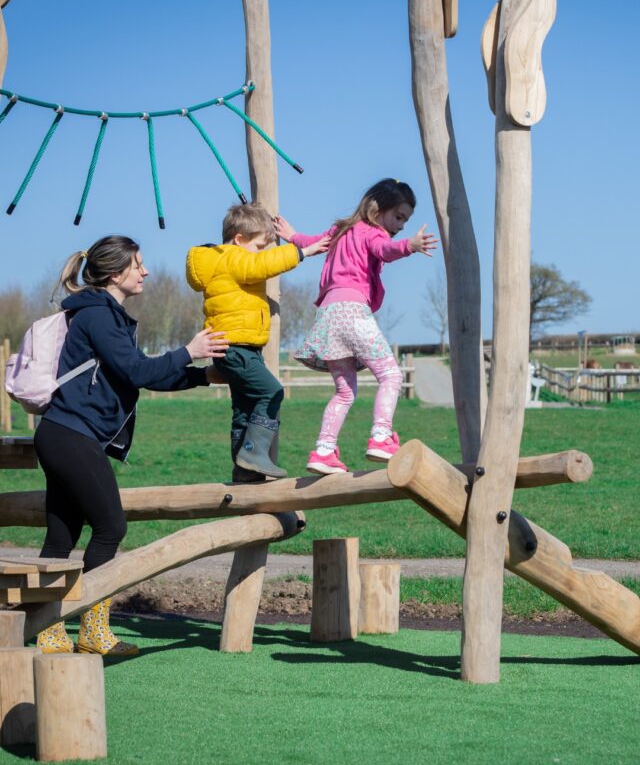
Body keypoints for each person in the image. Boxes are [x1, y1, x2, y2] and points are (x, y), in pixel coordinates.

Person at [35, 235, 229, 657]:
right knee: (111, 527)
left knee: (61, 535)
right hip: (71, 434)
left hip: (66, 433)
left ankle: (50, 630)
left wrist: (202, 376)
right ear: (114, 272)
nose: (145, 271)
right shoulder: (99, 317)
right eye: (138, 264)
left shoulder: (107, 316)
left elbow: (140, 376)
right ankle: (90, 628)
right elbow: (137, 369)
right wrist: (189, 351)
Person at [274, 178, 438, 475]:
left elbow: (314, 244)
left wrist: (292, 235)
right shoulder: (373, 233)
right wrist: (409, 246)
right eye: (398, 217)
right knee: (391, 375)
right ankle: (381, 436)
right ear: (379, 209)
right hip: (352, 312)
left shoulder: (341, 230)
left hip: (327, 317)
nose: (401, 225)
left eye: (405, 220)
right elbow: (385, 250)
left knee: (345, 393)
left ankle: (323, 451)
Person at [186, 202, 329, 483]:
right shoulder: (230, 257)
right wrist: (302, 251)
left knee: (244, 408)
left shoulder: (225, 263)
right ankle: (253, 454)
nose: (263, 253)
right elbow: (261, 264)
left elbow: (253, 272)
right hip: (236, 347)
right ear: (239, 239)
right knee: (272, 392)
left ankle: (244, 469)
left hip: (233, 348)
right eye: (260, 245)